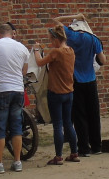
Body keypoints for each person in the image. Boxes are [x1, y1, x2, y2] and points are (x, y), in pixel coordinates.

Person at [0, 23, 32, 173]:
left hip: (1, 90)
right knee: (16, 127)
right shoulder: (22, 48)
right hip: (18, 90)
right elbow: (24, 71)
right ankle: (17, 161)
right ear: (12, 33)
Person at [55, 13, 106, 156]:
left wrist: (75, 15)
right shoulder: (94, 39)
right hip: (90, 79)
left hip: (75, 79)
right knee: (93, 113)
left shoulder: (70, 35)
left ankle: (84, 147)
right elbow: (103, 60)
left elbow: (56, 21)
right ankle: (97, 146)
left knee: (79, 114)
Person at [34, 24, 80, 165]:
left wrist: (36, 50)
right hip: (69, 92)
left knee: (58, 125)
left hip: (55, 93)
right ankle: (74, 152)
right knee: (68, 123)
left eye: (51, 39)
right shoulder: (71, 51)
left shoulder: (56, 52)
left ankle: (58, 156)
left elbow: (39, 62)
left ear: (56, 39)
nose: (50, 42)